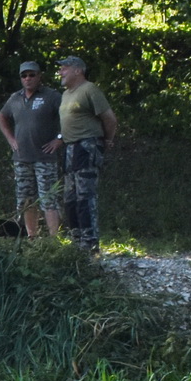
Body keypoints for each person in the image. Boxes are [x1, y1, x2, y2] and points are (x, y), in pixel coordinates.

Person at [51, 56, 117, 253]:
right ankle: (76, 240)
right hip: (70, 148)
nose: (61, 72)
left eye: (64, 68)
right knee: (70, 197)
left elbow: (110, 119)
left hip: (87, 146)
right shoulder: (66, 94)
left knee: (85, 196)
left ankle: (90, 243)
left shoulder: (90, 90)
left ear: (78, 70)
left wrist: (106, 140)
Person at [0, 60, 63, 238]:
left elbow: (69, 116)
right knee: (26, 200)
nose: (28, 78)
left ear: (39, 76)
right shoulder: (15, 98)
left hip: (45, 157)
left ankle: (53, 240)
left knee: (49, 199)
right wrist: (10, 139)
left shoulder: (52, 96)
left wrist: (59, 139)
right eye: (24, 75)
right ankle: (32, 237)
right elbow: (2, 116)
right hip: (21, 158)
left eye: (32, 75)